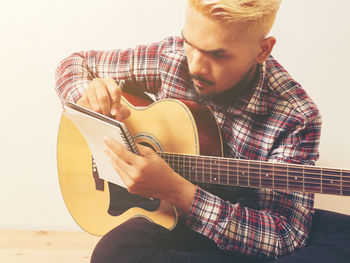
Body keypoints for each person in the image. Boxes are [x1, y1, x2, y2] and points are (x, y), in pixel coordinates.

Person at [55, 0, 327, 262]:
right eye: (190, 43)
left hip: (235, 228)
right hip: (166, 215)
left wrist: (176, 190)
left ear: (262, 50)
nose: (195, 65)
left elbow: (285, 236)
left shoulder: (297, 116)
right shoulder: (171, 57)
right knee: (115, 252)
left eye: (218, 54)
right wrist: (87, 100)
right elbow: (75, 64)